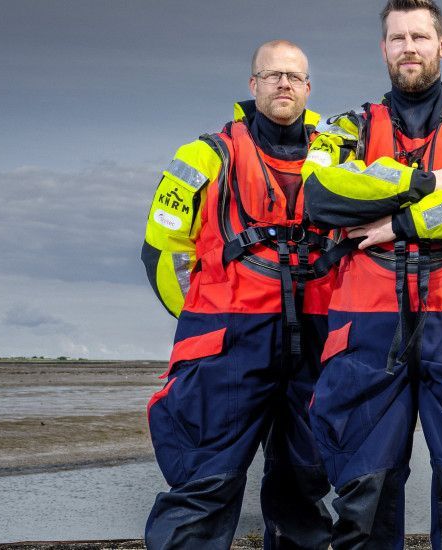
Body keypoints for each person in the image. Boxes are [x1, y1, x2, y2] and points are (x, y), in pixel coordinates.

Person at [300, 0, 442, 548]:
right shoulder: (346, 128)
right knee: (360, 501)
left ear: (441, 45)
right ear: (383, 49)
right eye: (398, 38)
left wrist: (401, 221)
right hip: (366, 330)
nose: (409, 48)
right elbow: (321, 195)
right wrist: (424, 183)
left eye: (420, 37)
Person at [141, 39, 333, 549]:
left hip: (315, 339)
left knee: (306, 485)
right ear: (253, 85)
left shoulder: (337, 154)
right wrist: (204, 315)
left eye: (293, 76)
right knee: (206, 481)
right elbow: (161, 251)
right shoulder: (203, 155)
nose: (284, 84)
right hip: (227, 343)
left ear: (308, 87)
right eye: (272, 75)